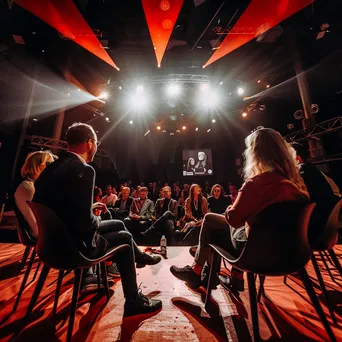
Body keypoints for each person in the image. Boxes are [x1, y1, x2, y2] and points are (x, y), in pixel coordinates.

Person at [33, 123, 162, 316]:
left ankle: (141, 257)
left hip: (49, 246)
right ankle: (133, 300)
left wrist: (89, 212)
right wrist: (93, 218)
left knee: (119, 223)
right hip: (76, 248)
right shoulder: (84, 169)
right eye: (95, 143)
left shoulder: (51, 168)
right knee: (125, 238)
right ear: (89, 143)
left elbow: (54, 207)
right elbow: (85, 224)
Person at [170, 128, 310, 293]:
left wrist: (231, 207)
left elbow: (234, 220)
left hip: (254, 253)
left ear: (255, 154)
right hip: (292, 254)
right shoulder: (295, 182)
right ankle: (233, 277)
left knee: (209, 221)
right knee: (227, 225)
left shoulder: (255, 184)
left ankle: (197, 271)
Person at [292, 142, 339, 243]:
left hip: (312, 231)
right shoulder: (312, 170)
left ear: (297, 158)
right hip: (325, 228)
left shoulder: (302, 171)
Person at [14, 151, 56, 240]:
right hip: (40, 233)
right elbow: (37, 222)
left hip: (41, 230)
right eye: (49, 164)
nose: (52, 167)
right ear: (36, 165)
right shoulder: (28, 188)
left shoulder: (32, 185)